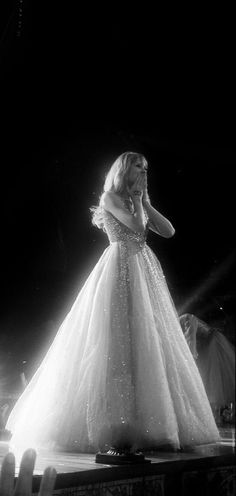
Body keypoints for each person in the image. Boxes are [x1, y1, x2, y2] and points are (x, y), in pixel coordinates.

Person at [6, 152, 220, 455]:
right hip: (118, 266)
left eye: (146, 169)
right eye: (138, 167)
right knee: (115, 341)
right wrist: (136, 203)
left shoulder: (139, 201)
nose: (144, 173)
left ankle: (153, 424)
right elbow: (133, 229)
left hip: (144, 268)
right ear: (123, 170)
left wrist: (145, 202)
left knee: (149, 343)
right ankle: (113, 429)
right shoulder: (109, 197)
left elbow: (169, 231)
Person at [179, 313, 235, 418]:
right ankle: (211, 412)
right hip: (204, 344)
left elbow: (190, 339)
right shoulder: (178, 323)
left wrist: (190, 358)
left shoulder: (186, 318)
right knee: (205, 377)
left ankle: (214, 413)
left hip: (210, 342)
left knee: (209, 377)